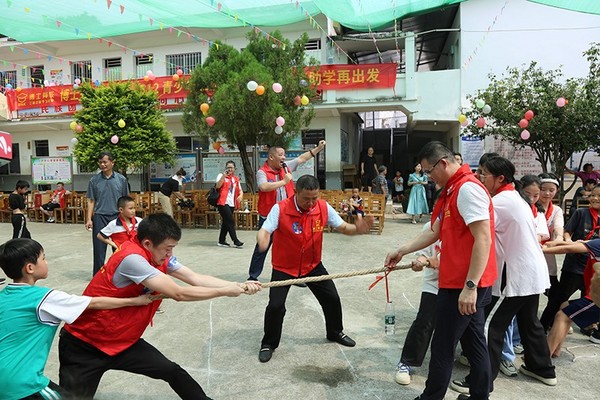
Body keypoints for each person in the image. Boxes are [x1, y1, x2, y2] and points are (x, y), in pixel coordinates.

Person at [58, 213, 261, 399]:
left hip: (122, 341)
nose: (170, 254)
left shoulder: (160, 256)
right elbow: (179, 293)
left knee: (171, 371)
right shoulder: (132, 259)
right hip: (84, 345)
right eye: (168, 248)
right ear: (148, 243)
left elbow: (195, 278)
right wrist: (225, 291)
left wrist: (239, 286)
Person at [384, 141, 497, 400]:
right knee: (475, 342)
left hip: (463, 284)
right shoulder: (453, 189)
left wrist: (470, 287)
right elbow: (435, 231)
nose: (428, 176)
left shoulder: (467, 189)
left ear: (442, 163)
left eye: (428, 171)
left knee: (443, 346)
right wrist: (402, 249)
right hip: (461, 281)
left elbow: (484, 239)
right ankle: (480, 395)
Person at [451, 157, 555, 396]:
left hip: (516, 276)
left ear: (500, 179)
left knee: (489, 327)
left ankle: (481, 382)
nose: (478, 177)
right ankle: (543, 369)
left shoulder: (498, 202)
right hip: (531, 273)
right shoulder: (513, 198)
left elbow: (478, 236)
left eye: (483, 173)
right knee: (530, 323)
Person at [0, 238, 152, 400]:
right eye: (43, 258)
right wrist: (135, 301)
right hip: (21, 382)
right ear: (30, 268)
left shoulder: (3, 296)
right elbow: (95, 302)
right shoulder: (44, 298)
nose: (46, 262)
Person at [257, 175, 373, 363]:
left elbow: (343, 227)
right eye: (306, 199)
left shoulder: (323, 207)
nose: (311, 203)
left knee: (332, 298)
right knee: (275, 306)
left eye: (314, 198)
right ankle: (268, 343)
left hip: (312, 265)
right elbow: (266, 229)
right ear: (296, 193)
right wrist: (262, 238)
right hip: (284, 266)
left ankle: (335, 332)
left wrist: (357, 229)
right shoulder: (280, 208)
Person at [247, 140, 326, 281]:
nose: (284, 157)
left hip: (289, 216)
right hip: (268, 217)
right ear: (271, 157)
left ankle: (295, 276)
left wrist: (318, 148)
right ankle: (253, 276)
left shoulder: (286, 167)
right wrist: (284, 182)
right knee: (262, 247)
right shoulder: (262, 172)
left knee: (293, 247)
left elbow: (302, 158)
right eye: (281, 155)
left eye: (284, 155)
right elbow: (263, 187)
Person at [540, 184, 600, 332]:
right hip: (575, 264)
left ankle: (588, 326)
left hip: (595, 267)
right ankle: (542, 327)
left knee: (592, 299)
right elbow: (568, 232)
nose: (594, 198)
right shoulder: (581, 213)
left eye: (599, 196)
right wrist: (569, 241)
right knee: (559, 298)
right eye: (592, 195)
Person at [395, 220, 440, 386]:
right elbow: (423, 252)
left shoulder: (467, 224)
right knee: (425, 322)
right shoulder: (431, 226)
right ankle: (407, 362)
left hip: (459, 284)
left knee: (461, 325)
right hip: (435, 284)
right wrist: (421, 261)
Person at [543, 238, 600, 354]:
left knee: (562, 316)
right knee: (564, 306)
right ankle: (555, 350)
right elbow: (575, 244)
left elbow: (568, 248)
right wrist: (552, 243)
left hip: (596, 299)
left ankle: (541, 359)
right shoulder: (596, 244)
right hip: (594, 296)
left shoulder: (598, 244)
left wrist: (541, 251)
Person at [86, 151, 129, 276]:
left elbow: (125, 201)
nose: (103, 165)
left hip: (117, 217)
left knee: (119, 248)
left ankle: (120, 274)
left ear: (112, 162)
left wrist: (127, 219)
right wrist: (89, 219)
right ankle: (98, 275)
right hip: (100, 217)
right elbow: (91, 201)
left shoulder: (121, 180)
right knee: (99, 249)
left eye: (105, 162)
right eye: (101, 162)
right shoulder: (94, 180)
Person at [538, 173, 565, 293]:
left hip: (548, 249)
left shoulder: (556, 210)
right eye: (543, 189)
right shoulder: (529, 207)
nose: (547, 193)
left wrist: (559, 238)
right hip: (530, 250)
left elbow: (558, 226)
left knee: (553, 287)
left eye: (551, 190)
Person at [215, 160, 244, 248]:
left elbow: (240, 190)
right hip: (222, 202)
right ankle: (235, 240)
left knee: (226, 222)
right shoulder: (221, 176)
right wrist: (223, 176)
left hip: (231, 203)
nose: (230, 169)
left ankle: (221, 240)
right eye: (228, 167)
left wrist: (241, 196)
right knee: (230, 221)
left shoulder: (235, 179)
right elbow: (217, 186)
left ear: (234, 169)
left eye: (231, 167)